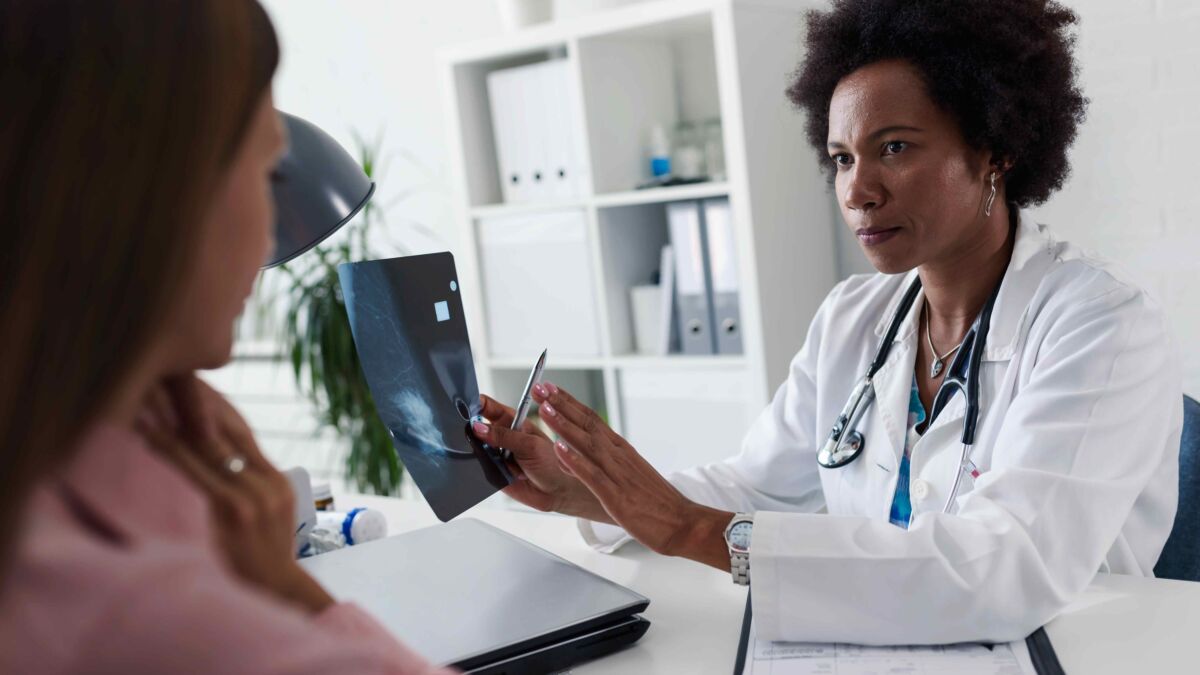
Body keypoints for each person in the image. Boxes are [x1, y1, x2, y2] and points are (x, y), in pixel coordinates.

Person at [473, 0, 1182, 645]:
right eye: (842, 158)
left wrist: (690, 528)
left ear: (994, 146)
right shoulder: (855, 318)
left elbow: (1002, 567)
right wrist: (584, 486)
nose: (857, 190)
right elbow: (759, 486)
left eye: (894, 148)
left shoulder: (1101, 326)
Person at [0, 2, 451, 672]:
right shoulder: (149, 620)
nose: (273, 229)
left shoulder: (81, 460)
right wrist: (288, 588)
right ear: (166, 194)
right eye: (268, 166)